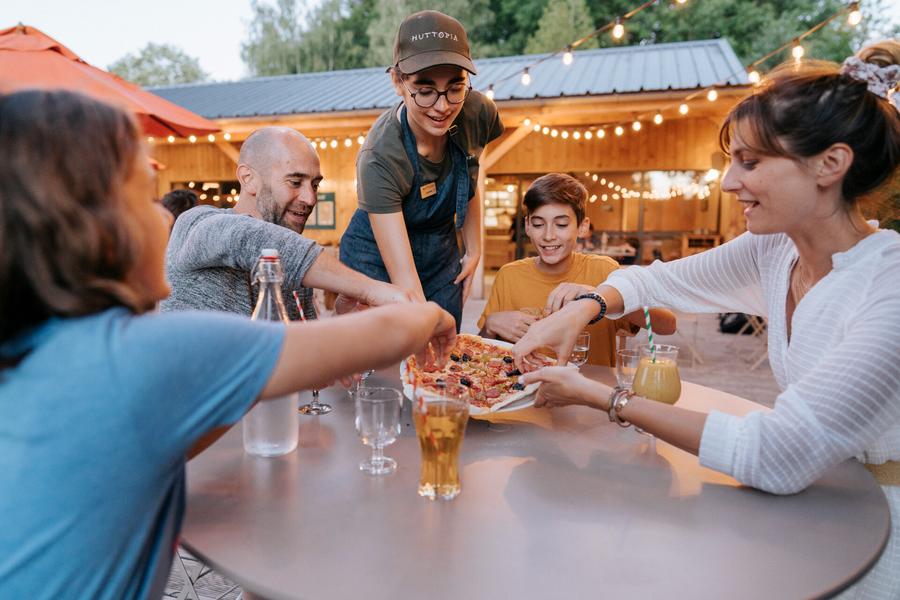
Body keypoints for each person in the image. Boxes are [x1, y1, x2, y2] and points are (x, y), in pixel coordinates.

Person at [0, 89, 457, 598]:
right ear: (85, 229)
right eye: (141, 196)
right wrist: (426, 312)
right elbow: (379, 328)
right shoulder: (153, 336)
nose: (162, 217)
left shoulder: (43, 355)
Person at [513, 45, 900, 598]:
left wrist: (603, 398)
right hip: (806, 508)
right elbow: (653, 280)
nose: (726, 182)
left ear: (829, 165)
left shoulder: (889, 288)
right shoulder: (774, 251)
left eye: (751, 162)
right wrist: (584, 307)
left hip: (878, 533)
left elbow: (776, 453)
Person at [339, 10, 504, 329]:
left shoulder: (477, 113)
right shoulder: (380, 156)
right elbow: (406, 284)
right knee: (394, 342)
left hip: (441, 247)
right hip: (376, 254)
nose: (442, 107)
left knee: (445, 356)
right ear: (398, 82)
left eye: (455, 87)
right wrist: (426, 323)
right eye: (425, 91)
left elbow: (468, 179)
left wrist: (474, 249)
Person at [162, 126, 412, 320]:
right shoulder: (194, 223)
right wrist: (369, 289)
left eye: (314, 185)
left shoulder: (291, 265)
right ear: (248, 179)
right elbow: (249, 239)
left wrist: (341, 319)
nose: (310, 198)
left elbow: (303, 355)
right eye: (295, 182)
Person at [478, 173, 676, 366]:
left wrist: (599, 298)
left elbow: (667, 325)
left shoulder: (604, 270)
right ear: (527, 226)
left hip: (592, 392)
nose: (548, 235)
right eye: (538, 224)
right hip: (527, 393)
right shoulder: (509, 275)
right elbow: (479, 356)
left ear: (582, 227)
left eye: (561, 224)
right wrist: (490, 325)